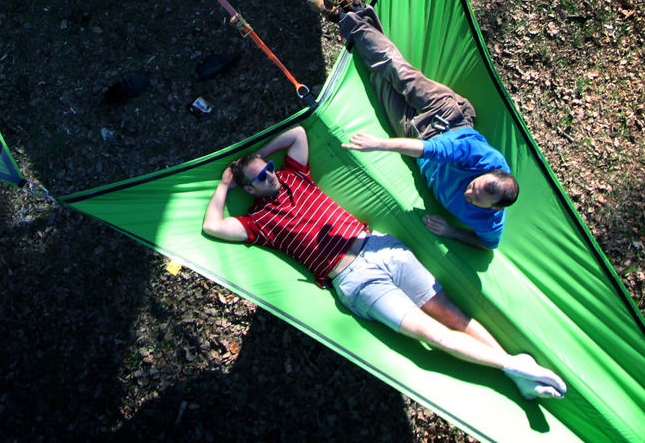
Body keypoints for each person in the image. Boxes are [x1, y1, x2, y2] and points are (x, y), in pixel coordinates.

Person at [202, 125, 566, 400]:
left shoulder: (296, 176)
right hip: (356, 282)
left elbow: (295, 133)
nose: (271, 175)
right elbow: (213, 226)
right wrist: (226, 183)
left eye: (269, 168)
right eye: (261, 178)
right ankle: (510, 364)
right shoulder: (259, 223)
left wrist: (257, 158)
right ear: (249, 189)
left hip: (381, 247)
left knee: (451, 314)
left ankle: (516, 371)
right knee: (429, 334)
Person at [310, 0, 518, 250]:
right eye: (475, 185)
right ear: (487, 173)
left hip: (415, 135)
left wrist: (452, 231)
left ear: (495, 208)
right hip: (446, 117)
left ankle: (357, 11)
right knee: (393, 67)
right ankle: (340, 15)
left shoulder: (490, 222)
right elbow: (427, 149)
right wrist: (379, 144)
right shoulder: (480, 157)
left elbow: (489, 245)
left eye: (477, 197)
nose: (471, 191)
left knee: (379, 78)